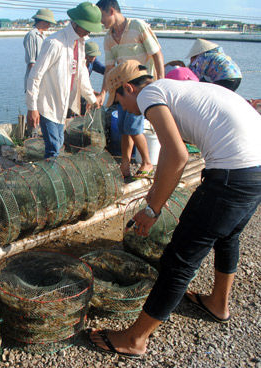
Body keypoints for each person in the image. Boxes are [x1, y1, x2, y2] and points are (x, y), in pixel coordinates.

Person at [89, 60, 261, 358]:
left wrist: (153, 209)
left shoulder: (148, 95)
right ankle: (218, 303)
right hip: (254, 172)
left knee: (179, 258)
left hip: (232, 177)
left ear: (129, 88)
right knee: (227, 236)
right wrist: (153, 194)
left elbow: (179, 156)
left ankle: (135, 338)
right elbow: (169, 151)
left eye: (119, 100)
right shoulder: (174, 88)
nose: (122, 108)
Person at [96, 0, 164, 179]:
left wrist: (161, 82)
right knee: (123, 126)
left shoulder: (138, 26)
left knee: (133, 127)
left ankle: (147, 162)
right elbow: (109, 68)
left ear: (111, 11)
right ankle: (125, 165)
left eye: (101, 16)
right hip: (123, 90)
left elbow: (157, 54)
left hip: (142, 88)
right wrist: (103, 92)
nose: (101, 22)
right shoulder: (108, 37)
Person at [26, 2, 102, 159]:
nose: (88, 31)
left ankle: (52, 174)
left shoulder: (79, 43)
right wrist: (32, 108)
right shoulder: (55, 43)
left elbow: (82, 75)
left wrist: (91, 99)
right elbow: (35, 75)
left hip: (62, 104)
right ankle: (52, 179)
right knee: (54, 147)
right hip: (47, 104)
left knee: (59, 143)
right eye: (87, 27)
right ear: (77, 22)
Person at [23, 8, 57, 92]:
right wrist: (36, 82)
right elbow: (31, 62)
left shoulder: (43, 36)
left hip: (43, 81)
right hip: (35, 82)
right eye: (48, 22)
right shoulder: (32, 35)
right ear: (42, 21)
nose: (49, 25)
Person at [80, 41, 106, 113]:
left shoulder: (93, 62)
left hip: (85, 91)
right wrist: (92, 93)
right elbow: (79, 83)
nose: (93, 58)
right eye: (91, 56)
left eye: (95, 56)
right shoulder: (78, 63)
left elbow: (105, 71)